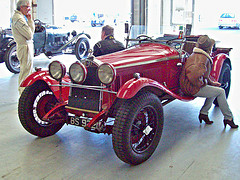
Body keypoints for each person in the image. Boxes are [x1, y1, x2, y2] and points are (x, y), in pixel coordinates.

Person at [179, 35, 238, 128]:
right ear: (209, 47)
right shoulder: (203, 58)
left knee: (215, 90)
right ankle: (228, 118)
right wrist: (202, 84)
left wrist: (212, 83)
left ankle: (204, 113)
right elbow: (194, 76)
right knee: (221, 92)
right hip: (191, 88)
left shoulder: (196, 54)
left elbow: (203, 75)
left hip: (188, 85)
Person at [12, 0, 35, 95]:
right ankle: (23, 95)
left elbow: (30, 34)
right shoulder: (18, 18)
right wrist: (29, 22)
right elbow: (29, 35)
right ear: (21, 7)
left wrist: (30, 20)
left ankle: (25, 94)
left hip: (27, 46)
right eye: (27, 7)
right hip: (24, 47)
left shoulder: (22, 17)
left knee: (28, 72)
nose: (29, 9)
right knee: (25, 73)